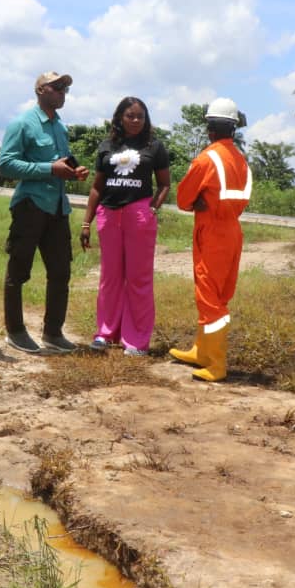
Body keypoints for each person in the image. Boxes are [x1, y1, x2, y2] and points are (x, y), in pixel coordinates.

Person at [0, 71, 89, 353]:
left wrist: (72, 172)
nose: (63, 92)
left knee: (61, 272)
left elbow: (60, 165)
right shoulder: (22, 123)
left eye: (65, 89)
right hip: (31, 206)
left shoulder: (60, 127)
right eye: (57, 87)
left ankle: (53, 333)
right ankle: (15, 331)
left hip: (58, 208)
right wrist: (49, 169)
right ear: (40, 90)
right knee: (18, 271)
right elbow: (6, 165)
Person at [168, 98, 251, 382]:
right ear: (234, 128)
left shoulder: (207, 159)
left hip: (211, 231)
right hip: (232, 231)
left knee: (209, 295)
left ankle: (215, 364)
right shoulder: (241, 160)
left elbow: (182, 199)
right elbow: (241, 199)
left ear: (210, 128)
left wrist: (200, 202)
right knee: (218, 293)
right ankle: (201, 351)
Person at [80, 97, 170, 356]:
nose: (135, 120)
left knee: (138, 279)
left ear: (146, 119)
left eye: (140, 116)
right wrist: (87, 221)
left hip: (138, 216)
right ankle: (105, 334)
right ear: (119, 117)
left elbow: (164, 183)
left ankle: (136, 340)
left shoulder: (154, 146)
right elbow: (97, 186)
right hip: (109, 216)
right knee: (110, 279)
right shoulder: (107, 146)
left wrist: (152, 208)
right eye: (130, 116)